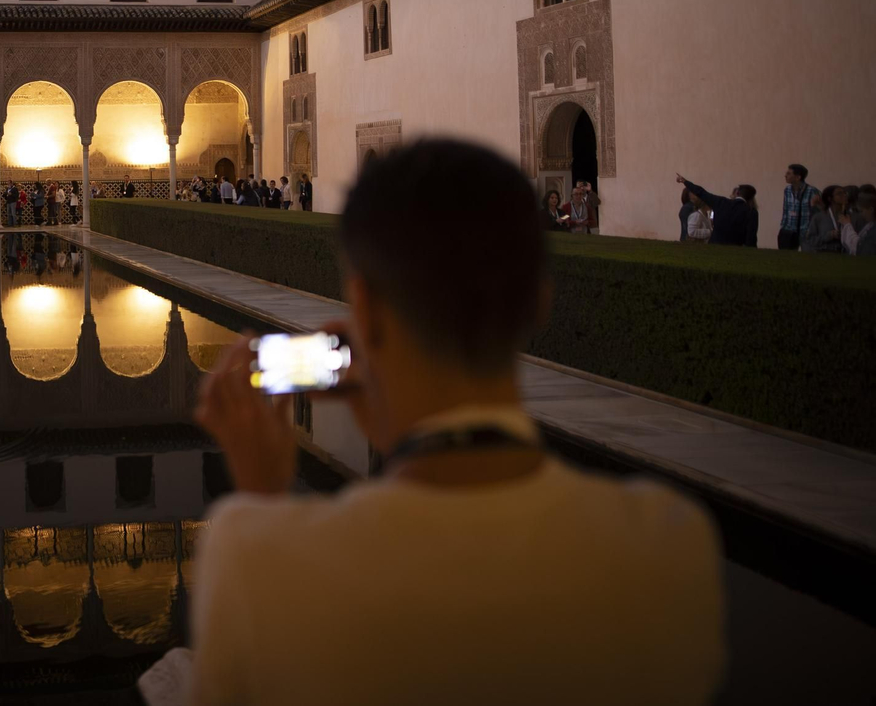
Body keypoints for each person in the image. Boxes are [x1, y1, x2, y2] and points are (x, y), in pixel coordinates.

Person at [181, 138, 723, 705]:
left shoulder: (259, 559)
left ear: (362, 308)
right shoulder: (667, 546)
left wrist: (262, 502)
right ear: (539, 303)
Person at [779, 163, 818, 251]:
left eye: (789, 173)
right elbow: (785, 209)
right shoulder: (787, 190)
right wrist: (783, 227)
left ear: (798, 177)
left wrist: (811, 230)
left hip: (805, 232)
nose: (785, 175)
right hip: (789, 231)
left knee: (807, 258)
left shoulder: (812, 191)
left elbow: (816, 213)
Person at [803, 184, 847, 254]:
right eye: (839, 193)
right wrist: (829, 235)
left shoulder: (848, 216)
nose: (844, 195)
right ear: (830, 198)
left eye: (844, 193)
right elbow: (810, 240)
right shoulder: (819, 217)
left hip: (845, 255)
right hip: (825, 253)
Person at [852, 191, 876, 256]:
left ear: (871, 209)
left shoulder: (873, 230)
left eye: (861, 211)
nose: (861, 215)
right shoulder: (869, 225)